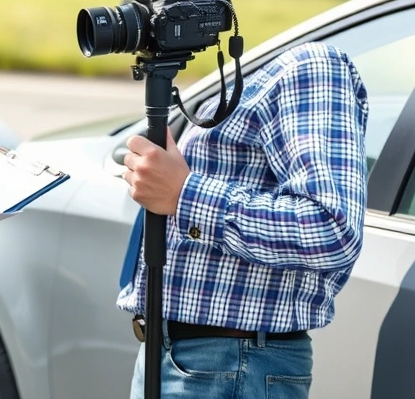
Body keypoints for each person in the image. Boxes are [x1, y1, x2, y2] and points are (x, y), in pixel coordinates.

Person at [117, 41, 369, 399]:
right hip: (189, 359)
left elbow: (331, 229)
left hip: (230, 366)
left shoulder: (310, 66)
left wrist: (185, 194)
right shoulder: (254, 78)